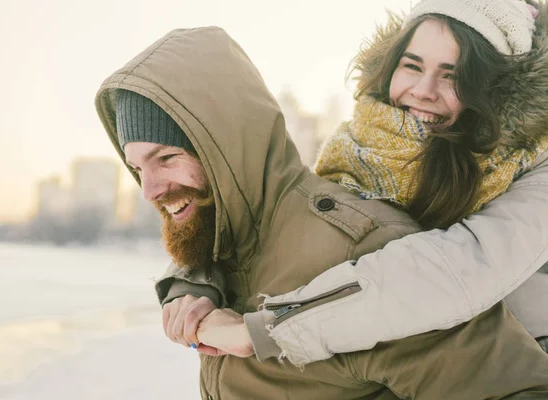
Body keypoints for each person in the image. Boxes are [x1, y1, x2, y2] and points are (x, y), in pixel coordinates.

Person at [94, 25, 548, 400]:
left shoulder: (368, 243)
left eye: (167, 158)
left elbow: (464, 279)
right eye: (137, 167)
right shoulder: (357, 165)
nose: (148, 188)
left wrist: (267, 329)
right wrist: (188, 281)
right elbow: (251, 210)